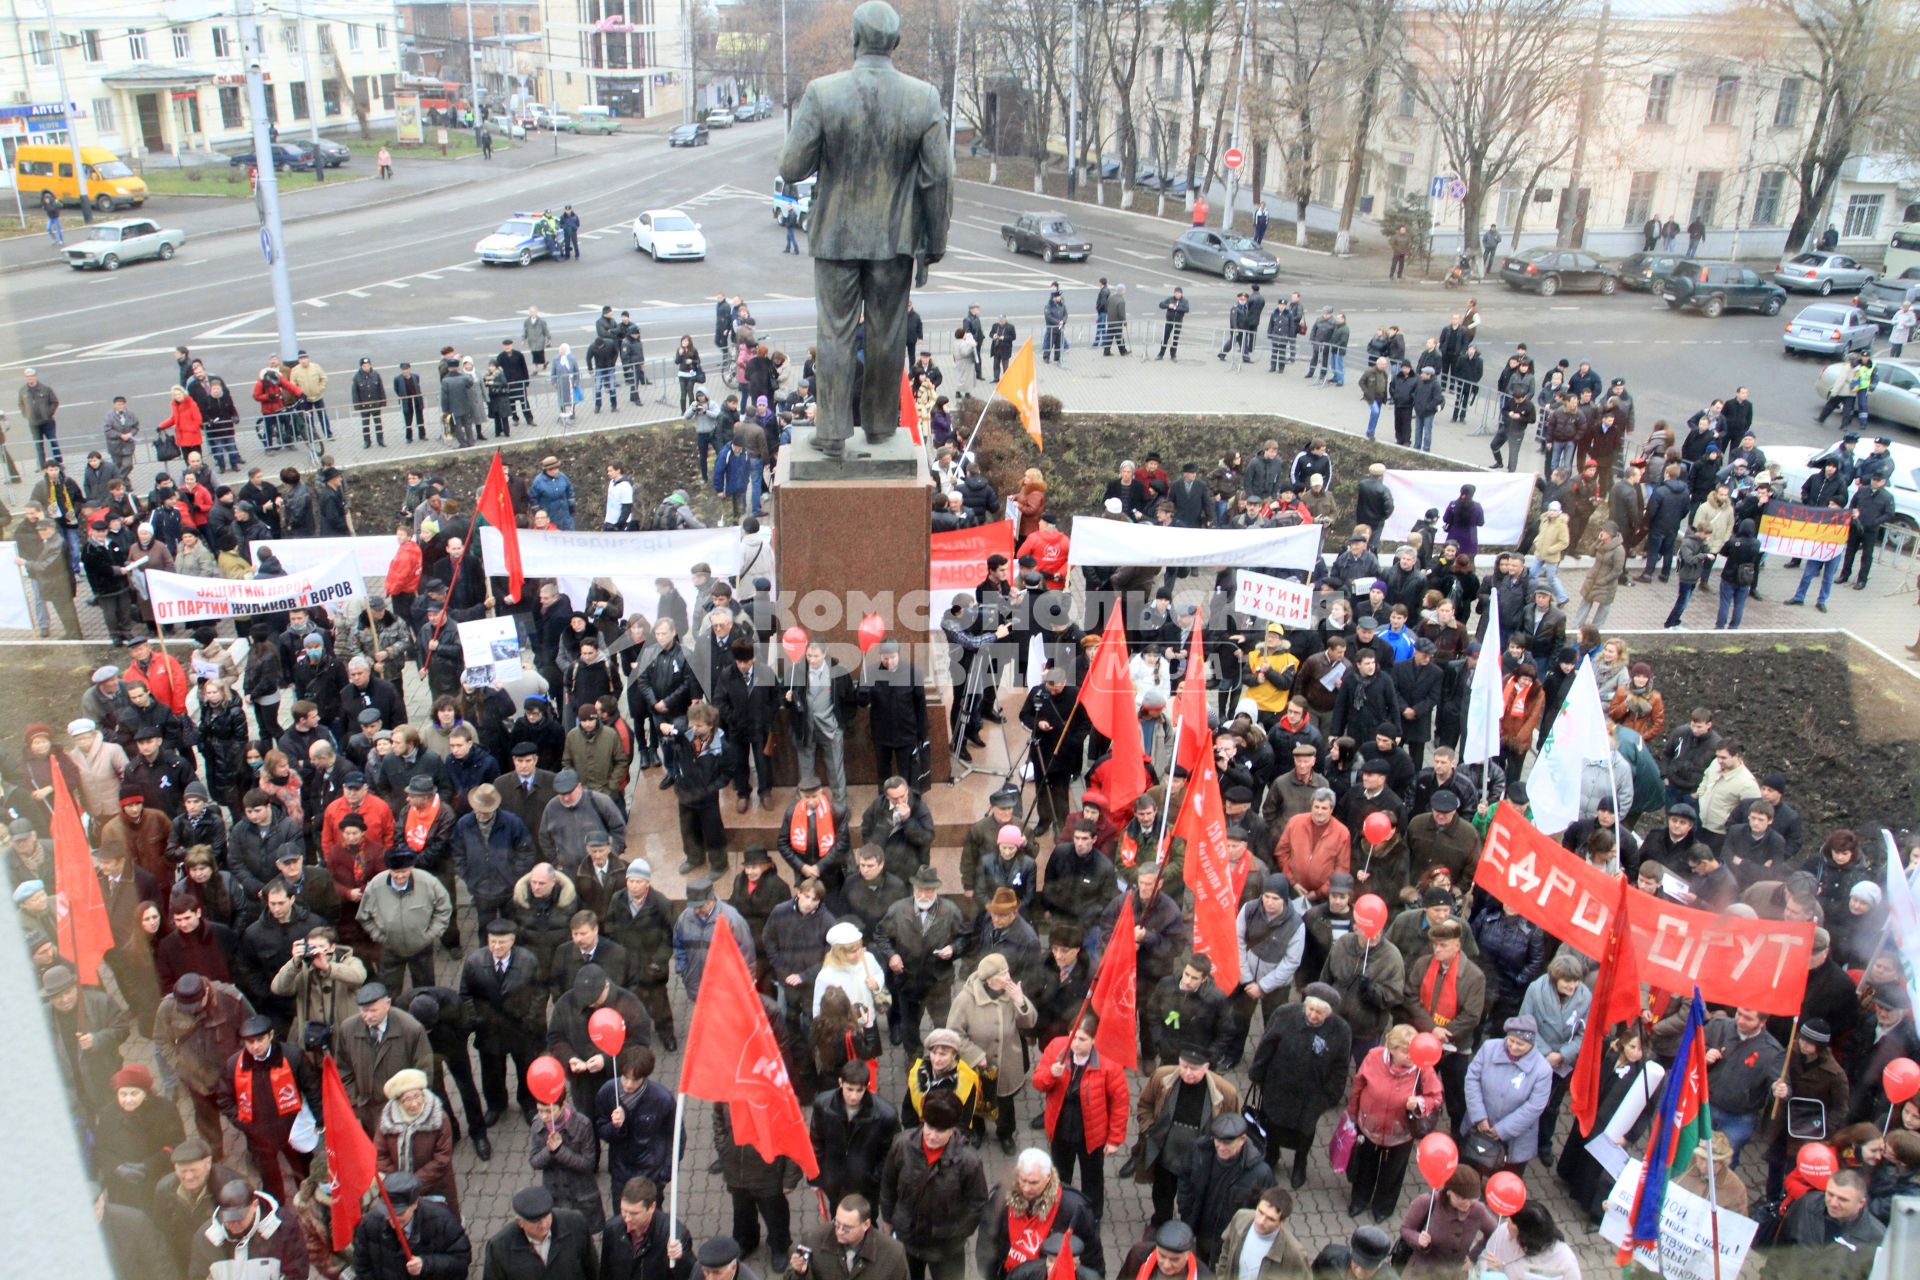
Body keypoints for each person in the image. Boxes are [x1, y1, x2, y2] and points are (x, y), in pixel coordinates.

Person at [879, 1087, 989, 1280]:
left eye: (941, 1130)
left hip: (946, 1247)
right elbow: (888, 1184)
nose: (932, 1135)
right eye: (929, 1127)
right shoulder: (902, 1145)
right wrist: (888, 1220)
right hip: (907, 1237)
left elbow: (977, 1204)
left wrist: (957, 1233)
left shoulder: (968, 1161)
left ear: (953, 1129)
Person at [1031, 1015, 1128, 1221]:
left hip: (1091, 1132)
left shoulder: (1108, 1063)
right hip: (1061, 1127)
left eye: (1082, 1039)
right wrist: (1051, 1074)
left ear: (1094, 1040)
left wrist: (1114, 1139)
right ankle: (1059, 1209)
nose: (1075, 1043)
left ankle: (1091, 1215)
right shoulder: (1058, 1048)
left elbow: (1120, 1103)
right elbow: (1038, 1083)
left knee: (1092, 1177)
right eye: (1073, 1037)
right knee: (1060, 1173)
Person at [1345, 1023, 1442, 1222]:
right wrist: (1352, 1114)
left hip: (1400, 1134)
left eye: (1412, 1051)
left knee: (1392, 1173)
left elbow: (1436, 1097)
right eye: (1405, 1052)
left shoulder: (1423, 1068)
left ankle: (1383, 1207)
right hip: (1369, 1126)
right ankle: (1360, 1200)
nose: (1410, 1056)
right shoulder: (1374, 1056)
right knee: (1365, 1166)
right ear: (1392, 1048)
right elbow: (1358, 1084)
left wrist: (1420, 1103)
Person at [351, 1170, 473, 1280]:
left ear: (414, 1204)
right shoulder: (369, 1224)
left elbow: (461, 1262)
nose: (392, 1219)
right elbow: (362, 1267)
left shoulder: (442, 1222)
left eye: (400, 1213)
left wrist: (426, 1264)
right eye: (387, 1211)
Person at [482, 1184, 598, 1279]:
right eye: (535, 1221)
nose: (543, 1225)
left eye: (546, 1216)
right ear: (520, 1222)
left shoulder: (575, 1223)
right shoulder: (499, 1248)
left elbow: (592, 1269)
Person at [785, 1194, 908, 1280]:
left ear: (866, 1225)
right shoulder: (813, 1240)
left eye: (847, 1228)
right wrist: (800, 1273)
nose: (839, 1231)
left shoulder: (893, 1253)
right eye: (837, 1223)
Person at [598, 1176, 692, 1280]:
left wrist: (680, 1258)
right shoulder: (612, 1229)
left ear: (652, 1207)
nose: (627, 1219)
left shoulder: (673, 1235)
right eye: (624, 1211)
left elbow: (690, 1274)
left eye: (634, 1213)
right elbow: (606, 1271)